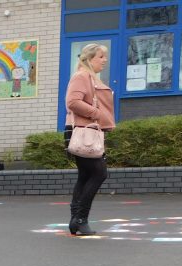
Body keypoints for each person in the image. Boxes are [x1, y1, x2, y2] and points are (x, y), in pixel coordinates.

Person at [64, 43, 116, 236]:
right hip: (83, 132)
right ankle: (80, 218)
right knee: (99, 173)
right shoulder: (82, 76)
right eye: (101, 56)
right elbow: (72, 102)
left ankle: (76, 220)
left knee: (86, 175)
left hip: (86, 131)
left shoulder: (89, 77)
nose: (105, 60)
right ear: (89, 59)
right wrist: (98, 114)